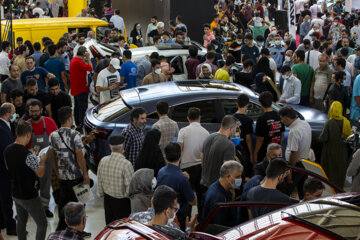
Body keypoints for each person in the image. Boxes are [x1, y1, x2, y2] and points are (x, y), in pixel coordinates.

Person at [49, 106, 90, 235]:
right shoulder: (75, 135)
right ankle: (79, 230)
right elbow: (79, 156)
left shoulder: (53, 135)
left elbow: (52, 156)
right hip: (76, 176)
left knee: (64, 205)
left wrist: (57, 171)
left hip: (62, 177)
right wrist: (85, 174)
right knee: (81, 203)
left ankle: (61, 229)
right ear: (70, 118)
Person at [4, 121, 48, 240]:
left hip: (15, 192)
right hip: (29, 195)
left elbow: (8, 167)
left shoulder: (7, 149)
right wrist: (42, 160)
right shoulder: (28, 154)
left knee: (21, 221)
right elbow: (40, 173)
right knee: (42, 223)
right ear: (28, 135)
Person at [27, 99, 58, 218]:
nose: (34, 113)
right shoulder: (25, 124)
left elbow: (56, 139)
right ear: (29, 111)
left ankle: (45, 207)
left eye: (36, 111)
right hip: (31, 158)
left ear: (41, 110)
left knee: (46, 182)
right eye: (32, 111)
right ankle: (31, 208)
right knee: (31, 184)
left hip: (48, 158)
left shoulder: (49, 122)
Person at [157, 142, 197, 230]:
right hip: (178, 218)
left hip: (162, 215)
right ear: (180, 155)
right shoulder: (182, 178)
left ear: (166, 157)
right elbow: (193, 201)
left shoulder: (161, 172)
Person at [177, 107, 209, 215]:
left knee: (187, 195)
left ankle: (187, 219)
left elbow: (179, 148)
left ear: (188, 118)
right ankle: (200, 219)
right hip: (200, 166)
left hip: (186, 167)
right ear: (200, 117)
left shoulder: (183, 131)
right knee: (200, 194)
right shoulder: (206, 133)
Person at [97, 135, 134, 224]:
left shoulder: (103, 160)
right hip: (122, 203)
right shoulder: (126, 164)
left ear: (110, 146)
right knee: (122, 229)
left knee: (111, 227)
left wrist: (102, 197)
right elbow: (130, 189)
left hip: (108, 200)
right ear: (123, 146)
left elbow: (99, 182)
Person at [279, 107, 311, 199]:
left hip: (296, 165)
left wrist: (290, 170)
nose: (281, 121)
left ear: (287, 118)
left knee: (287, 190)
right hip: (305, 163)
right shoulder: (305, 124)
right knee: (302, 190)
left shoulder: (294, 131)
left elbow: (294, 152)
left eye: (282, 118)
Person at [319, 101, 351, 189]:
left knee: (329, 173)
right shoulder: (346, 122)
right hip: (342, 151)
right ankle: (338, 191)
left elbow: (323, 138)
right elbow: (349, 137)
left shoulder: (329, 123)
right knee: (339, 173)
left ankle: (330, 191)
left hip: (329, 151)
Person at [201, 115, 237, 188]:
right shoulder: (229, 144)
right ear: (232, 128)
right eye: (236, 128)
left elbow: (202, 158)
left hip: (203, 183)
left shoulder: (208, 137)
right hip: (217, 187)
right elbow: (228, 170)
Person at [202, 161, 243, 226]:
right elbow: (219, 225)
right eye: (237, 177)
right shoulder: (217, 197)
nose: (240, 179)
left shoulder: (226, 189)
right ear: (228, 177)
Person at [253, 91, 284, 164]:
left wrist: (255, 153)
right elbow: (282, 134)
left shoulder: (261, 119)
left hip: (265, 152)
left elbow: (260, 139)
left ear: (260, 104)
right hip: (276, 151)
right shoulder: (279, 115)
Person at [0, 104, 17, 236]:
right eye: (13, 113)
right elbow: (6, 151)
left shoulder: (5, 126)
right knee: (6, 198)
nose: (14, 115)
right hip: (3, 171)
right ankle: (10, 225)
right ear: (8, 113)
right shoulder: (2, 129)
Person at [69, 46, 92, 132]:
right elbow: (90, 68)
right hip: (81, 89)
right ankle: (81, 125)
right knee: (82, 108)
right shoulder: (79, 62)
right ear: (83, 54)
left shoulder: (74, 60)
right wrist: (88, 58)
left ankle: (78, 124)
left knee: (77, 108)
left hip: (76, 89)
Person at [233, 94, 254, 163]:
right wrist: (251, 153)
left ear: (237, 105)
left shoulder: (231, 118)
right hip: (244, 150)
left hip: (234, 150)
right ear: (247, 105)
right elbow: (248, 139)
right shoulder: (248, 120)